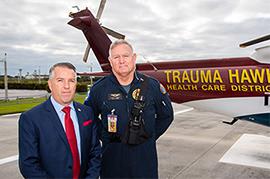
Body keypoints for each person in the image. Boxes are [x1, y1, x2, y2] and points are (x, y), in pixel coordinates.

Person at [84, 39, 174, 178]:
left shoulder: (152, 86)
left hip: (144, 160)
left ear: (134, 58)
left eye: (125, 56)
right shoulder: (99, 89)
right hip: (112, 159)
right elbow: (88, 117)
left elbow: (166, 115)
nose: (121, 61)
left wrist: (149, 136)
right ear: (110, 61)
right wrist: (104, 135)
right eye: (116, 57)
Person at [19, 62, 101, 179]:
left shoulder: (87, 113)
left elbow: (95, 153)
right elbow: (28, 165)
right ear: (50, 85)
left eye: (71, 81)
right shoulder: (31, 118)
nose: (66, 86)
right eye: (60, 80)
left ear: (76, 84)